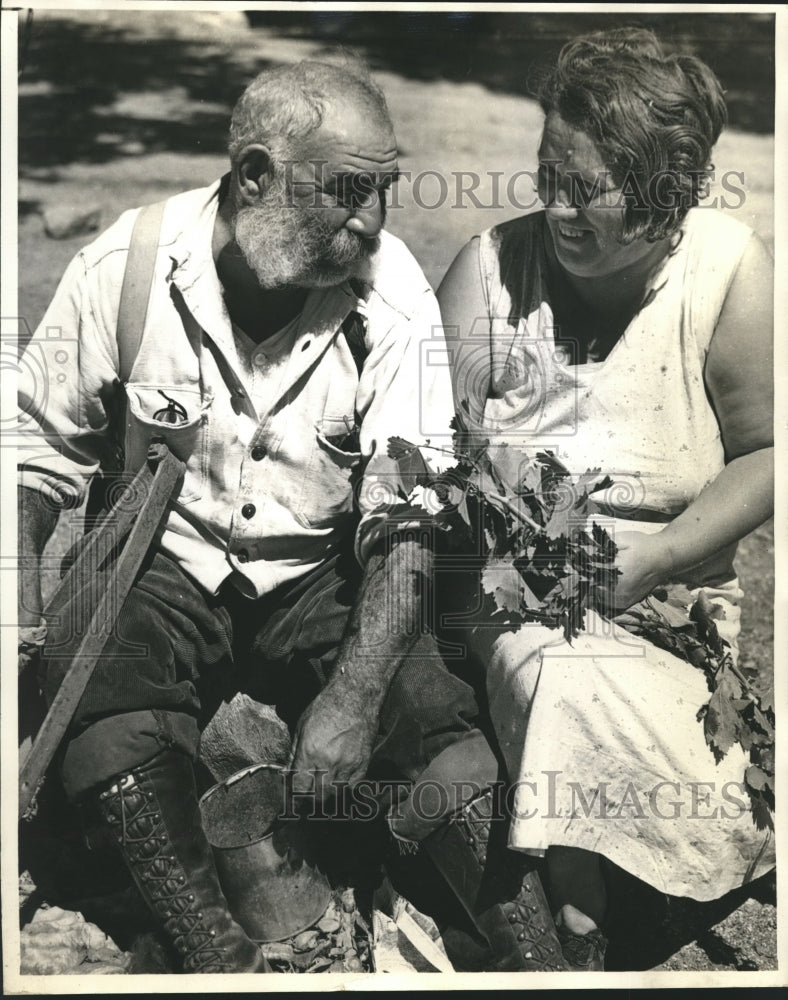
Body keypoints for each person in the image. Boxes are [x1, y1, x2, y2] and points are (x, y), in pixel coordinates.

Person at [17, 58, 566, 974]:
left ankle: (543, 962)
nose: (373, 222)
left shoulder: (392, 303)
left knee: (433, 713)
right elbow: (33, 450)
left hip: (321, 568)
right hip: (167, 561)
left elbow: (411, 515)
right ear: (255, 176)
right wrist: (22, 593)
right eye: (349, 193)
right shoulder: (128, 266)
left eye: (383, 193)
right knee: (99, 680)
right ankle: (215, 953)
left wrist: (352, 698)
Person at [437, 27, 775, 971]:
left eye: (586, 188)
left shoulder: (727, 273)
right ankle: (578, 919)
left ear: (667, 196)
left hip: (672, 601)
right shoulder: (491, 270)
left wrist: (658, 558)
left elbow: (766, 454)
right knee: (558, 673)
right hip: (514, 597)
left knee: (710, 769)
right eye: (548, 173)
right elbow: (428, 452)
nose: (554, 205)